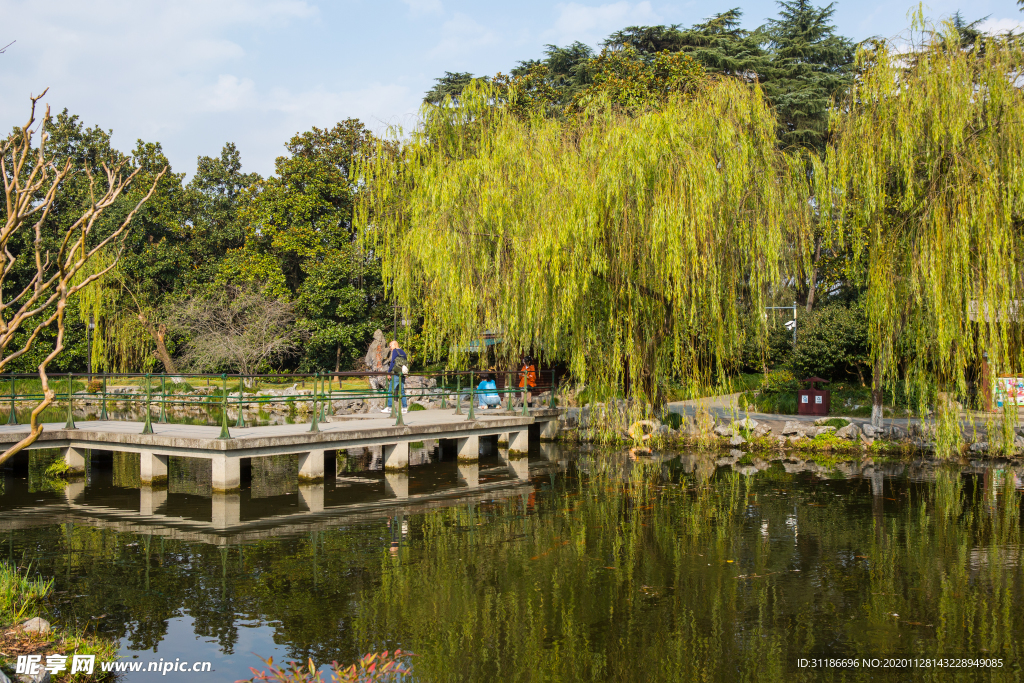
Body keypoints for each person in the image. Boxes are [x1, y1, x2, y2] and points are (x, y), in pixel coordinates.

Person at [381, 340, 408, 413]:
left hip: (396, 374)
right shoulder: (403, 352)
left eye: (390, 346)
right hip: (402, 374)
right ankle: (405, 408)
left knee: (390, 390)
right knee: (402, 391)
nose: (390, 348)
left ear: (394, 345)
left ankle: (389, 407)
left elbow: (393, 362)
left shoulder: (395, 351)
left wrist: (389, 372)